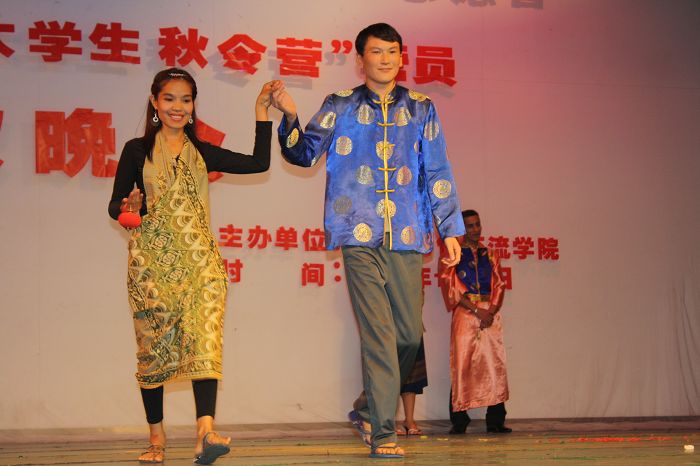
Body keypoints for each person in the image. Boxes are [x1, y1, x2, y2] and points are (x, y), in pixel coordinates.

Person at [271, 23, 465, 458]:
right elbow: (303, 154)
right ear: (360, 60)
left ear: (401, 57)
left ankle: (365, 408)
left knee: (408, 337)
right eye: (376, 52)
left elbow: (437, 170)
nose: (385, 59)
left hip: (408, 233)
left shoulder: (421, 108)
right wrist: (289, 116)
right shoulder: (339, 105)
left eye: (392, 51)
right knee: (378, 335)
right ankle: (383, 434)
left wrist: (450, 229)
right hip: (357, 233)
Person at [108, 68, 276, 464]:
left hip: (202, 264)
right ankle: (157, 436)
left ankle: (205, 431)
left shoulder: (201, 151)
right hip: (151, 268)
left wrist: (261, 112)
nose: (177, 107)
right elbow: (116, 206)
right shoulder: (136, 151)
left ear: (193, 105)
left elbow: (258, 163)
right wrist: (130, 211)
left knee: (205, 338)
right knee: (153, 350)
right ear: (155, 102)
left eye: (185, 99)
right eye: (169, 98)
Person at [438, 209, 512, 434]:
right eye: (470, 226)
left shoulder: (490, 254)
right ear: (462, 229)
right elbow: (450, 286)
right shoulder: (453, 254)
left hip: (489, 315)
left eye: (477, 224)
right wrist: (476, 310)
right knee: (462, 364)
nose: (475, 229)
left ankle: (495, 420)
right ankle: (459, 420)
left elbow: (499, 284)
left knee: (494, 365)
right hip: (465, 314)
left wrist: (490, 311)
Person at [396, 338, 427, 436]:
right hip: (387, 331)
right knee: (388, 374)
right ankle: (388, 422)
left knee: (411, 371)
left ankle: (409, 420)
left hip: (411, 330)